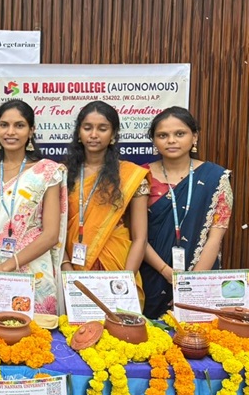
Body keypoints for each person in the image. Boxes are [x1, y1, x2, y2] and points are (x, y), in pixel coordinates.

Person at [0, 100, 67, 315]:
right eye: (4, 125)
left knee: (34, 333)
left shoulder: (47, 172)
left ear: (31, 130)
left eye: (19, 125)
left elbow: (50, 235)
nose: (10, 132)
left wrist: (5, 268)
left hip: (33, 272)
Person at [140, 107, 233, 318]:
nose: (171, 140)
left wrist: (192, 284)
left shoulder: (216, 178)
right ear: (154, 140)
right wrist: (165, 271)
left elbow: (215, 238)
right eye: (163, 135)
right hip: (151, 275)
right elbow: (136, 236)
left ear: (195, 137)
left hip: (200, 278)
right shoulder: (140, 176)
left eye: (180, 133)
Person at [62, 101, 149, 303]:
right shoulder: (61, 174)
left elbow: (140, 238)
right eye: (87, 128)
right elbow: (53, 230)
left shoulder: (130, 175)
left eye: (102, 129)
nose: (94, 135)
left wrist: (125, 281)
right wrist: (66, 270)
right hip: (71, 267)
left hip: (117, 265)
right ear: (78, 133)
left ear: (113, 135)